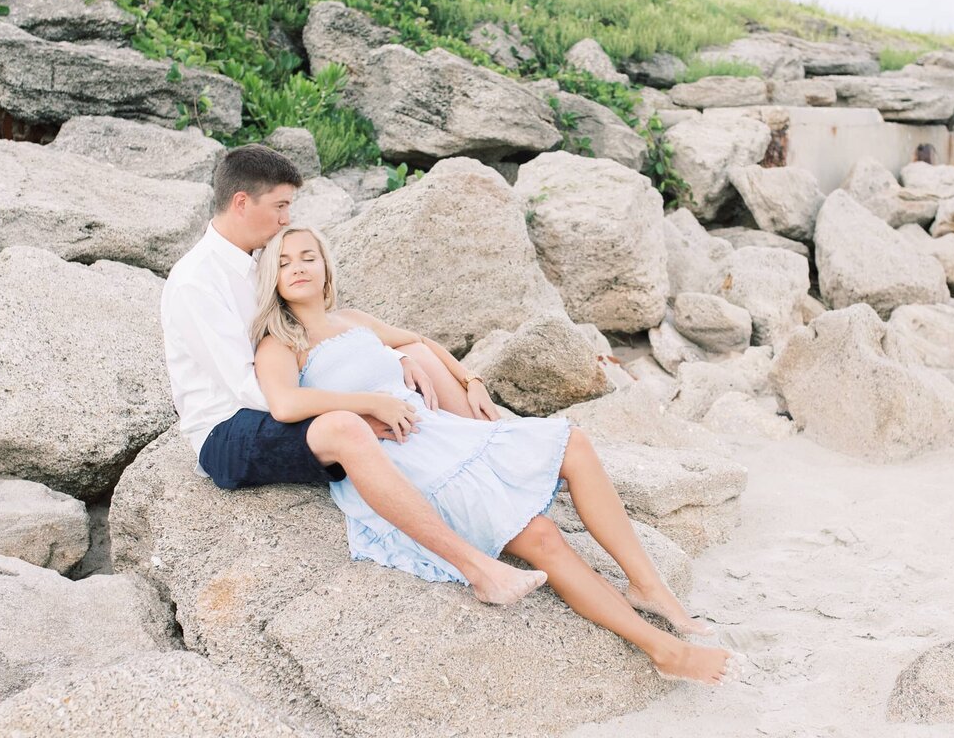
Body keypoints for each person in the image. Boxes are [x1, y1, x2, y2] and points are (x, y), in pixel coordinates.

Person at [251, 224, 738, 685]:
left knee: (573, 441)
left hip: (437, 431)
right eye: (285, 261)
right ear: (273, 277)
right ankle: (666, 652)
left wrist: (471, 379)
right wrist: (369, 402)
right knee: (541, 537)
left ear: (325, 269)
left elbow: (419, 342)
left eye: (308, 257)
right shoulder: (282, 343)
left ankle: (647, 584)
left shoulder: (352, 321)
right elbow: (286, 404)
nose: (298, 267)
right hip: (401, 460)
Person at [160, 144, 546, 606]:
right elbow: (253, 391)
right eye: (280, 206)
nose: (286, 219)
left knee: (414, 356)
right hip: (229, 429)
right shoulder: (197, 281)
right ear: (242, 202)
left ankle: (498, 464)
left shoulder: (258, 260)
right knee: (350, 426)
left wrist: (390, 363)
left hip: (280, 398)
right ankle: (479, 568)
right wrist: (360, 404)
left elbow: (324, 331)